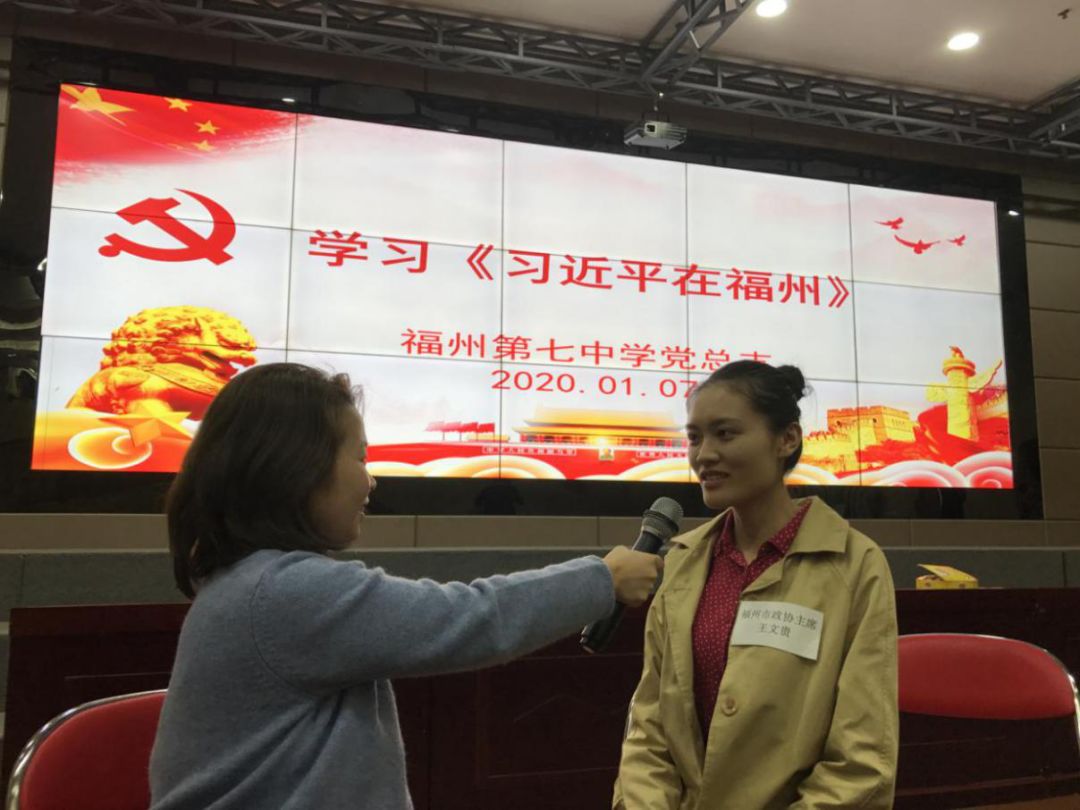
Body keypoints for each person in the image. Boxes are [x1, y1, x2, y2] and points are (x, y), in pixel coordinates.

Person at [149, 362, 662, 810]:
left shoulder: (244, 582)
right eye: (359, 457)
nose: (370, 480)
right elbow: (471, 618)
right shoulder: (284, 592)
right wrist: (604, 578)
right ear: (292, 467)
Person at [613, 361, 898, 810]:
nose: (704, 455)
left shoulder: (855, 566)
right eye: (694, 437)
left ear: (787, 439)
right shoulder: (683, 562)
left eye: (725, 434)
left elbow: (860, 762)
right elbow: (649, 730)